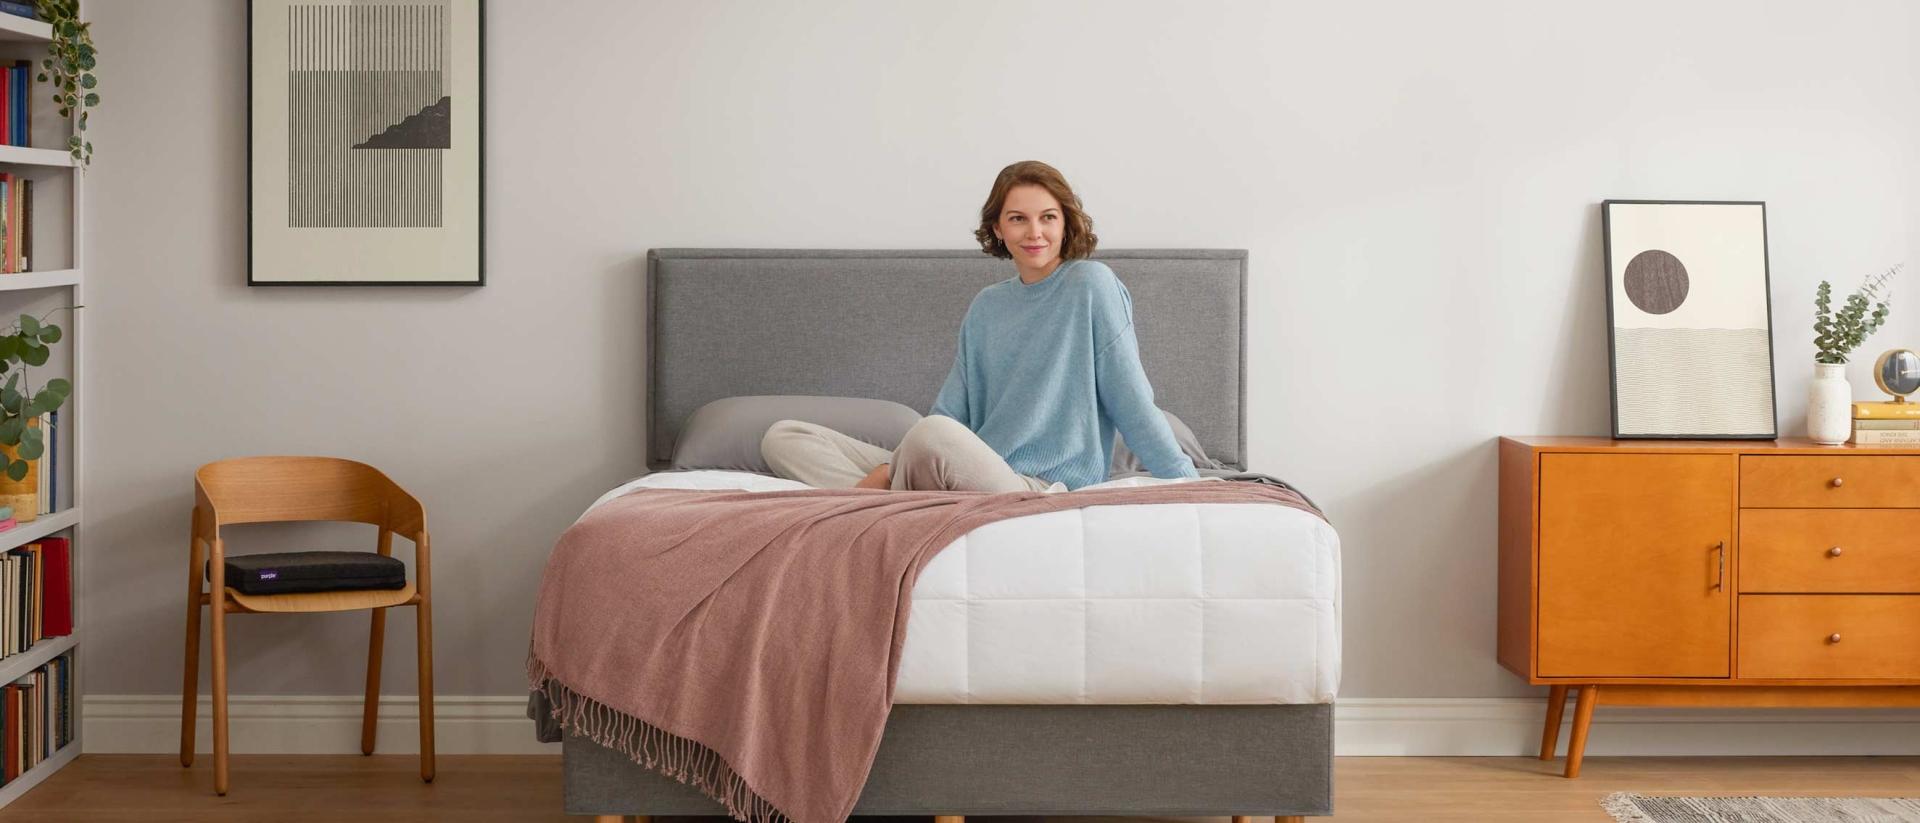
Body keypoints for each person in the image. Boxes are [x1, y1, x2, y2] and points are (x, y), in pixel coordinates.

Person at [761, 160, 1198, 492]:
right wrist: (898, 464)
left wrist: (1192, 486)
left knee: (930, 437)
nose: (1035, 232)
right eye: (1018, 218)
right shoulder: (987, 306)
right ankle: (890, 496)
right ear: (998, 228)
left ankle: (877, 499)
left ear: (1065, 224)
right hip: (969, 465)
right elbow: (952, 414)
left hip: (1035, 488)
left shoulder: (1091, 285)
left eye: (1048, 217)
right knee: (784, 436)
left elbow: (1134, 402)